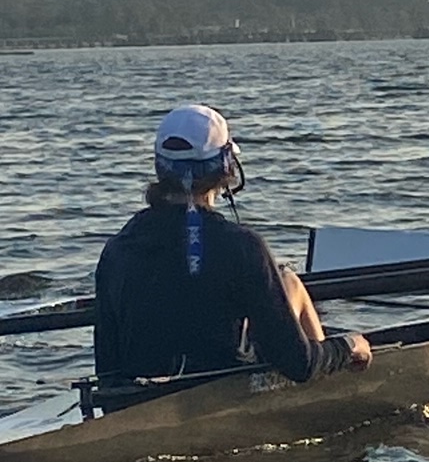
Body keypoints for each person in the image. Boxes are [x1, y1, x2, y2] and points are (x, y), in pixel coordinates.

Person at [94, 105, 372, 389]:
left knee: (283, 282)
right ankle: (328, 394)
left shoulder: (117, 248)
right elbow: (299, 365)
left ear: (158, 167)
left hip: (133, 401)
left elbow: (106, 372)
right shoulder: (242, 246)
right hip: (218, 394)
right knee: (290, 281)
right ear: (226, 168)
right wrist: (348, 345)